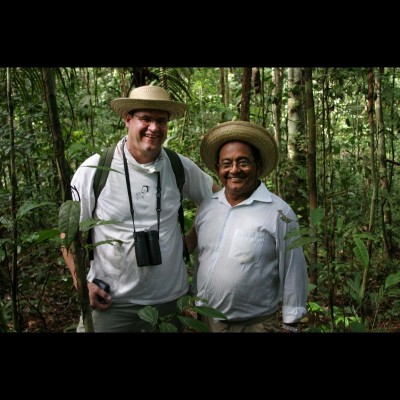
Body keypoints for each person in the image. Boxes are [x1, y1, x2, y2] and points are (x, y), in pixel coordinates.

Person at [62, 85, 219, 332]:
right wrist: (82, 284)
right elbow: (67, 234)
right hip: (111, 302)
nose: (154, 128)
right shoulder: (95, 170)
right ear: (127, 119)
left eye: (161, 120)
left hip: (169, 300)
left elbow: (217, 198)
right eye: (145, 118)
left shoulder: (179, 166)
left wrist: (188, 241)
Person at [192, 120, 308, 333]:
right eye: (226, 163)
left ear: (258, 166)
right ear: (218, 168)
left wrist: (291, 323)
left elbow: (293, 269)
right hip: (208, 322)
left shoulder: (279, 212)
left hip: (255, 325)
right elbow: (202, 258)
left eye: (243, 162)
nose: (234, 170)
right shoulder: (208, 206)